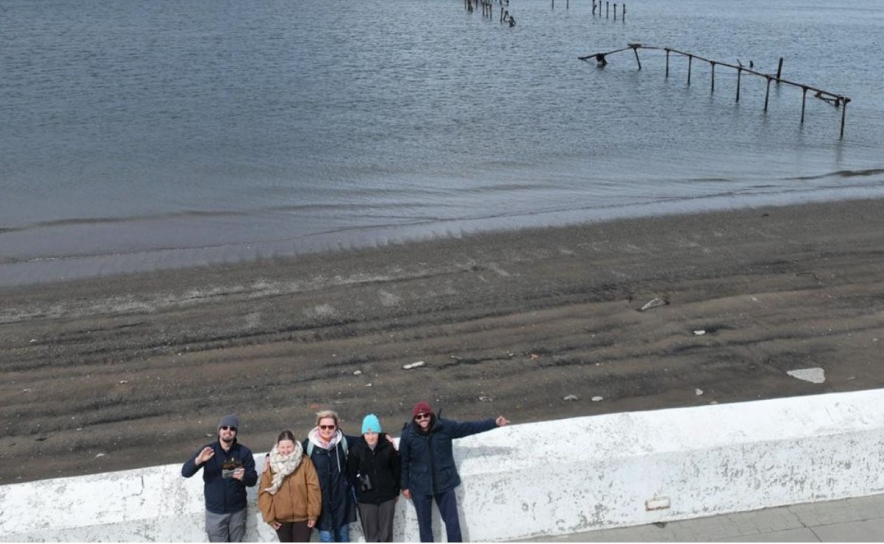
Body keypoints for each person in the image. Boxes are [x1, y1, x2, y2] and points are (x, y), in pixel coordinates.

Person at [399, 402, 510, 542]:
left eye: (425, 415)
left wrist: (494, 423)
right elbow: (403, 461)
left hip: (445, 483)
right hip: (420, 486)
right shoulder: (407, 435)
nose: (423, 419)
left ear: (430, 414)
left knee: (452, 523)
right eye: (419, 417)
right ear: (414, 418)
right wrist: (404, 486)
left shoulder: (445, 427)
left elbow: (469, 427)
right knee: (424, 526)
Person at [181, 414, 258, 542]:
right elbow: (185, 472)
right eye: (224, 427)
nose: (228, 431)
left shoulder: (244, 452)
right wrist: (199, 460)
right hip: (215, 512)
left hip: (237, 511)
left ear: (236, 432)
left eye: (232, 428)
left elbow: (253, 480)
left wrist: (243, 477)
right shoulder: (208, 450)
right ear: (219, 430)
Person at [258, 430, 322, 542]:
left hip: (303, 518)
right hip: (280, 518)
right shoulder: (271, 463)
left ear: (295, 445)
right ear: (277, 446)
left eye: (289, 447)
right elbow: (265, 492)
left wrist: (313, 514)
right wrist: (270, 517)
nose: (286, 451)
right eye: (282, 447)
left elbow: (313, 488)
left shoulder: (304, 462)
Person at [305, 410, 357, 542]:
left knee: (343, 537)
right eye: (323, 426)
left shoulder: (343, 442)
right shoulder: (309, 445)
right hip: (321, 504)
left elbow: (367, 440)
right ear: (318, 426)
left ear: (336, 427)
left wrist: (383, 436)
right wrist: (269, 456)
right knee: (327, 538)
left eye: (330, 426)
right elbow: (289, 450)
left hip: (342, 501)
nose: (327, 430)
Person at [347, 414, 400, 542]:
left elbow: (397, 469)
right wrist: (360, 488)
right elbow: (351, 474)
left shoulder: (388, 447)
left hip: (387, 497)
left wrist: (396, 491)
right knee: (371, 536)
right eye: (367, 433)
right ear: (363, 434)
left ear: (379, 433)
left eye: (374, 433)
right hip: (366, 499)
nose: (370, 437)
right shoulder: (356, 450)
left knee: (386, 534)